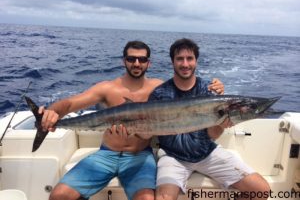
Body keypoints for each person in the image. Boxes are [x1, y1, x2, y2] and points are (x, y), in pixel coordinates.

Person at [39, 40, 225, 200]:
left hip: (140, 156)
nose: (137, 63)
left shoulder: (159, 87)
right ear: (124, 61)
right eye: (131, 59)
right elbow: (71, 104)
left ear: (148, 63)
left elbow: (189, 92)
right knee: (59, 196)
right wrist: (52, 112)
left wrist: (215, 87)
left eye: (142, 59)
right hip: (106, 155)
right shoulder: (107, 88)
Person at [149, 38, 271, 200]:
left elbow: (212, 135)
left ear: (196, 61)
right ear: (172, 62)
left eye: (190, 58)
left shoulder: (209, 90)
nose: (185, 64)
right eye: (180, 59)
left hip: (207, 153)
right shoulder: (159, 94)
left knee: (261, 190)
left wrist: (221, 124)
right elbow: (147, 129)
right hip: (173, 157)